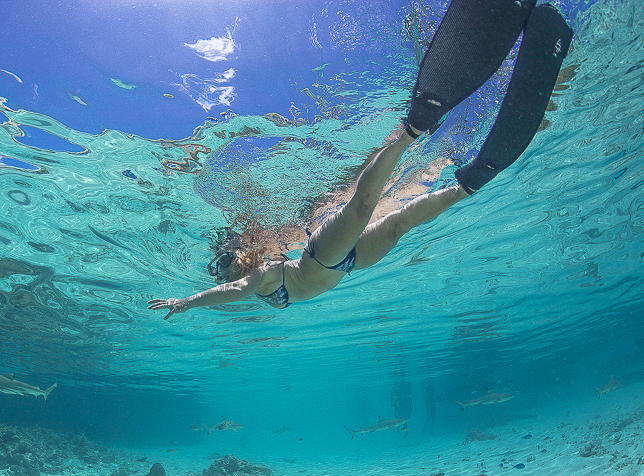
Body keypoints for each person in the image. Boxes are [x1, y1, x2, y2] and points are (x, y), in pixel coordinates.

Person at [149, 0, 572, 319]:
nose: (223, 272)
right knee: (401, 222)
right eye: (220, 268)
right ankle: (467, 184)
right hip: (348, 264)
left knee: (362, 205)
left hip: (323, 256)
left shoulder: (257, 279)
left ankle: (412, 129)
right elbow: (235, 292)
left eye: (223, 264)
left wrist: (187, 302)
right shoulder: (258, 278)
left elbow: (235, 290)